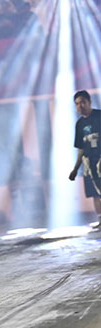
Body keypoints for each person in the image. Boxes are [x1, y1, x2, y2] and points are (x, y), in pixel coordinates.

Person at [68, 90, 101, 229]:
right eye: (77, 104)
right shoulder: (80, 124)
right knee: (95, 193)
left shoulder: (99, 116)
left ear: (89, 102)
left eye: (83, 102)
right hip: (89, 162)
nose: (80, 106)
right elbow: (80, 148)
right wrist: (75, 169)